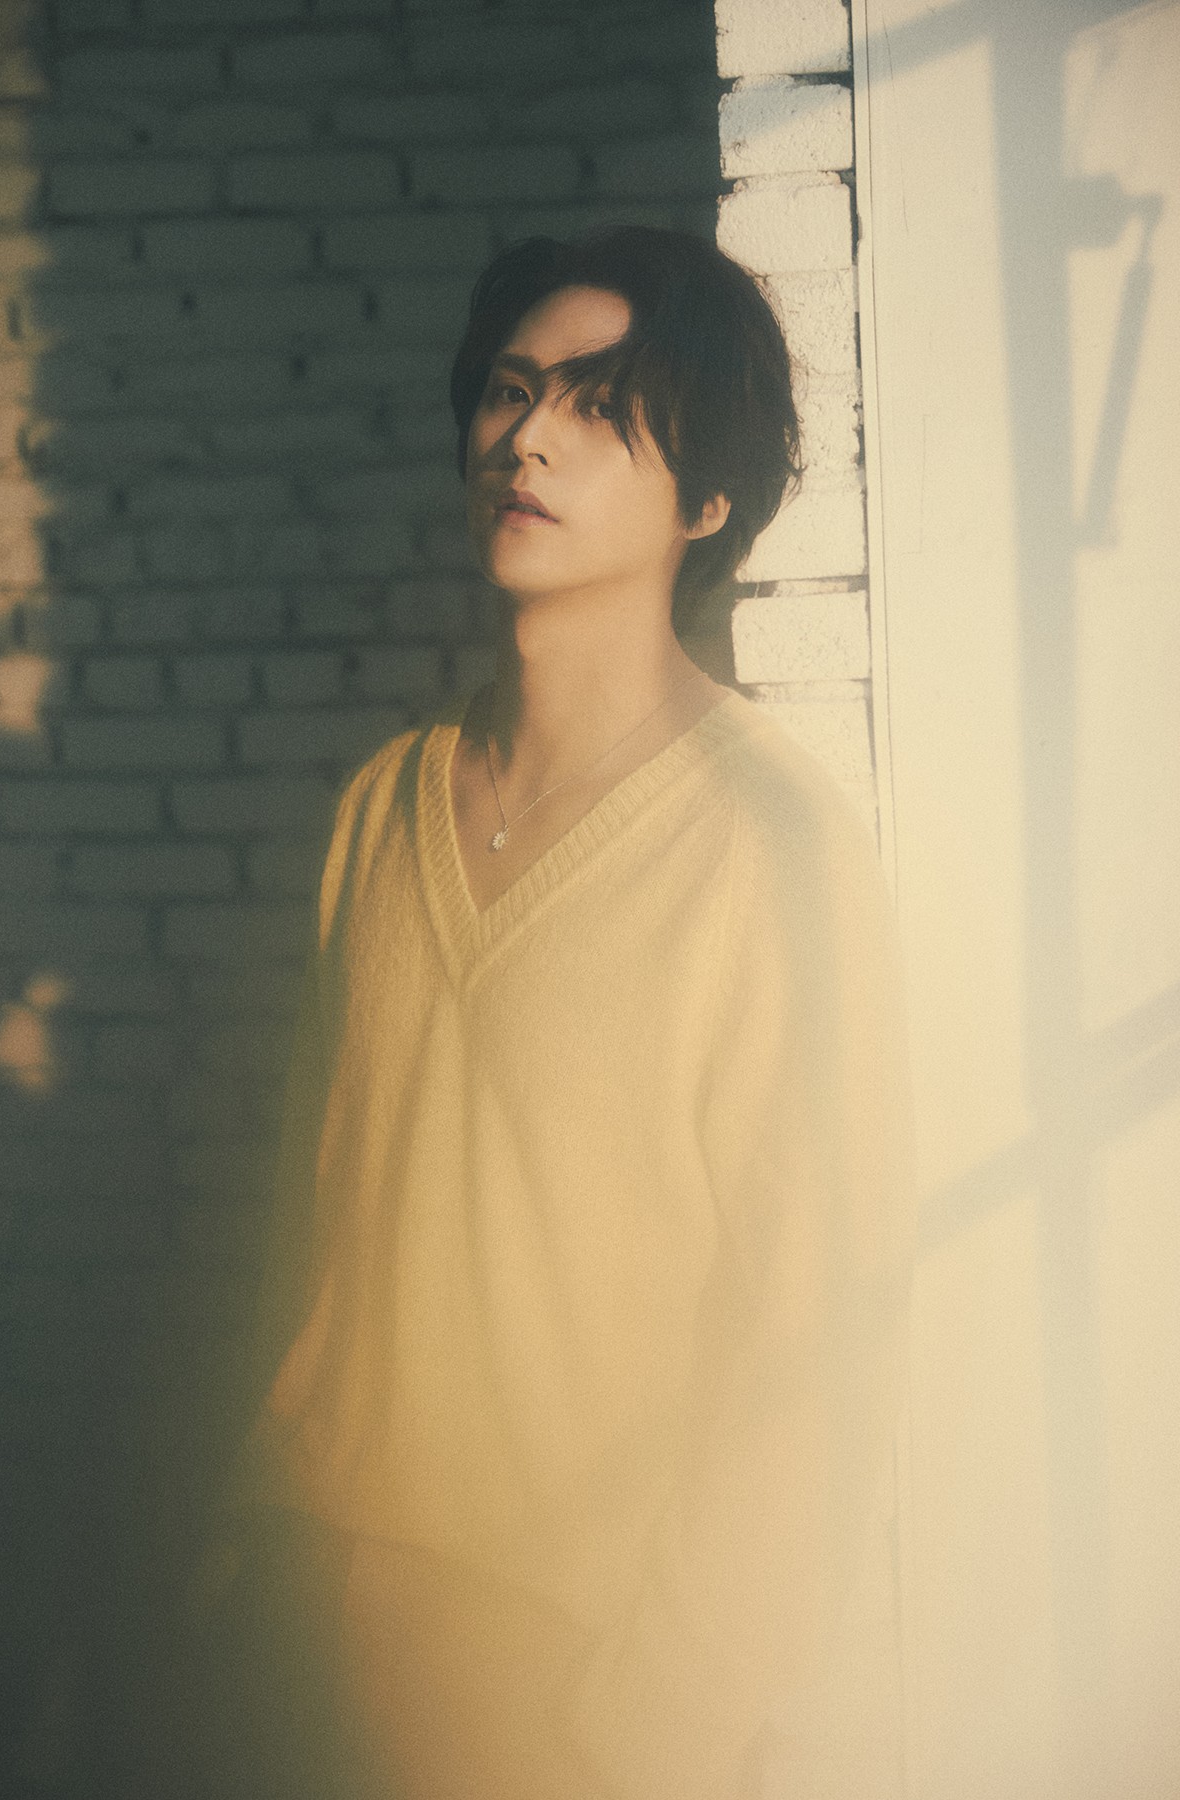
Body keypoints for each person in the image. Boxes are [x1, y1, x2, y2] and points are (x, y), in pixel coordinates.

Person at [212, 225, 915, 1800]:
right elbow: (311, 1217)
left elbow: (817, 1343)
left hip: (561, 1677)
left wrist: (656, 1720)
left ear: (708, 500)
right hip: (306, 1625)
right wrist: (250, 1541)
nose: (526, 437)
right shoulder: (381, 804)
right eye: (510, 390)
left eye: (600, 406)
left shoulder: (769, 850)